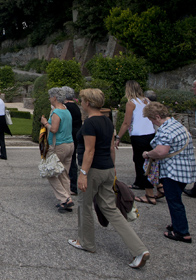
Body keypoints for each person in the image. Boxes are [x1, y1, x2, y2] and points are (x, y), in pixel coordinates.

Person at [68, 88, 149, 269]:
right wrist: (113, 170)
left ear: (87, 103)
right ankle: (139, 249)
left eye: (82, 100)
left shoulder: (90, 123)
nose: (81, 103)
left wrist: (83, 174)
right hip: (107, 168)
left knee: (85, 205)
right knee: (110, 209)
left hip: (93, 170)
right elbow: (112, 148)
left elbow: (90, 151)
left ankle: (86, 242)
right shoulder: (107, 121)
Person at [141, 102, 196, 243]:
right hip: (184, 169)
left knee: (174, 201)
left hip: (173, 171)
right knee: (175, 198)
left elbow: (161, 151)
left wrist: (147, 154)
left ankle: (182, 232)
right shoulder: (177, 125)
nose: (152, 122)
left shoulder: (166, 130)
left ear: (157, 117)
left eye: (151, 119)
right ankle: (177, 224)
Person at [115, 81, 157, 203]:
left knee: (139, 160)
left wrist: (118, 137)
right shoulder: (147, 101)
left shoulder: (131, 103)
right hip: (150, 133)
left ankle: (144, 186)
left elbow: (126, 122)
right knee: (148, 160)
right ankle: (142, 182)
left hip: (138, 135)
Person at [40, 87, 75, 213]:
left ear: (54, 97)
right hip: (70, 144)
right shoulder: (66, 110)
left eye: (50, 97)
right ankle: (67, 199)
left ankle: (65, 198)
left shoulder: (57, 113)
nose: (49, 99)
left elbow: (54, 129)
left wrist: (45, 123)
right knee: (63, 173)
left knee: (50, 172)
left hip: (59, 146)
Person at [62, 86, 82, 196]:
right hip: (76, 134)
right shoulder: (75, 106)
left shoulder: (66, 107)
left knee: (70, 161)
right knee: (72, 159)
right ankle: (72, 184)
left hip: (69, 135)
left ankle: (72, 185)